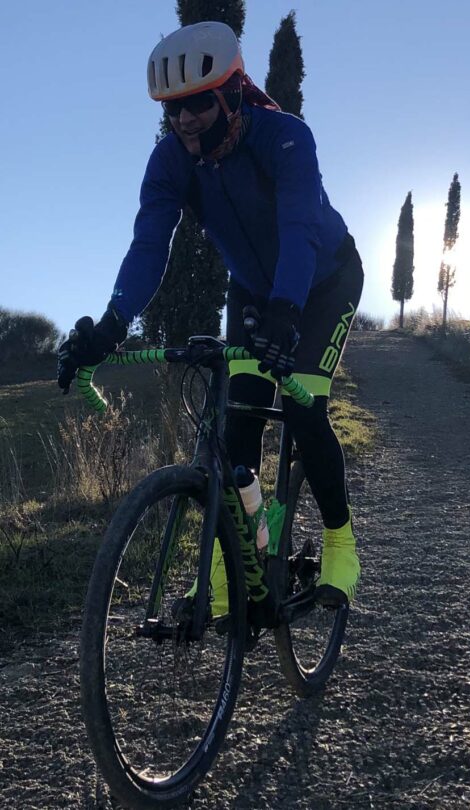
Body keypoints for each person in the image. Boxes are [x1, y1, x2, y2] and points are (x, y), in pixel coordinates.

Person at [57, 21, 364, 606]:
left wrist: (286, 311)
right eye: (172, 108)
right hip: (252, 291)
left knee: (301, 403)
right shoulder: (170, 161)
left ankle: (340, 541)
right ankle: (237, 563)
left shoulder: (285, 138)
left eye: (197, 102)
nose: (184, 119)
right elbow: (150, 245)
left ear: (230, 93)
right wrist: (111, 325)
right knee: (237, 427)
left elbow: (299, 227)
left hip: (323, 282)